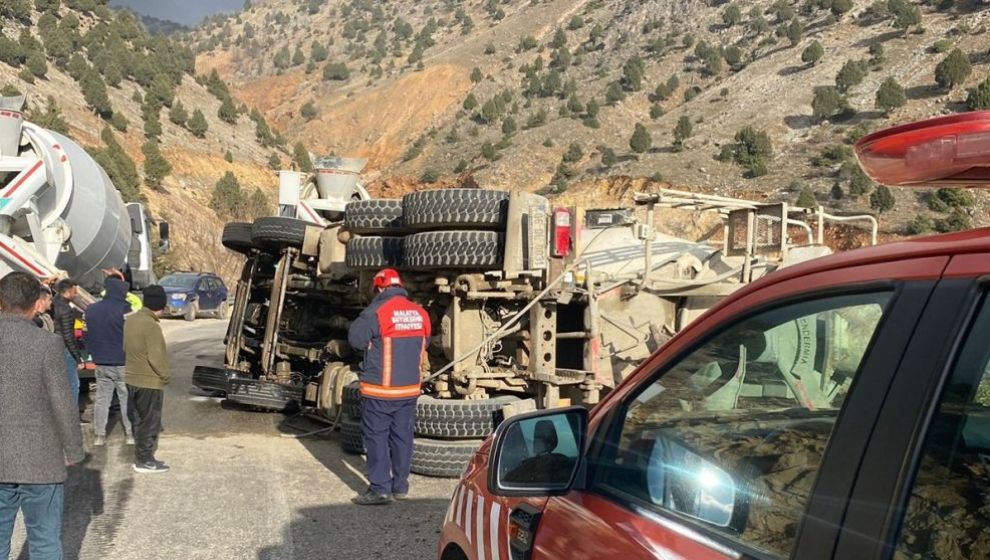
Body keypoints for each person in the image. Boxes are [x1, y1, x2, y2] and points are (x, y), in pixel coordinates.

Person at [0, 271, 85, 559]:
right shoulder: (48, 344)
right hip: (41, 459)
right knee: (45, 542)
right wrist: (73, 450)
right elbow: (63, 403)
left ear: (0, 301)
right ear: (37, 302)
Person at [347, 268, 431, 505]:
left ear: (381, 288)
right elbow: (427, 340)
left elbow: (356, 340)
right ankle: (400, 486)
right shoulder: (419, 313)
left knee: (376, 438)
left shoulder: (377, 312)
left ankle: (380, 489)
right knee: (403, 436)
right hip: (409, 390)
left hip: (381, 390)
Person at [124, 285, 171, 473]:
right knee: (150, 421)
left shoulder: (130, 320)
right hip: (149, 381)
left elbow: (124, 347)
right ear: (160, 305)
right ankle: (144, 460)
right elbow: (156, 356)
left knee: (138, 419)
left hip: (131, 378)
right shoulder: (151, 326)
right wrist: (165, 375)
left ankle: (140, 456)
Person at [84, 276, 134, 446]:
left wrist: (93, 351)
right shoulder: (125, 309)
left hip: (101, 362)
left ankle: (99, 436)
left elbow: (85, 334)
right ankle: (130, 433)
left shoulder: (90, 309)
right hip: (122, 361)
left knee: (102, 399)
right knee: (126, 398)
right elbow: (132, 334)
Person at [53, 279, 86, 407]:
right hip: (65, 349)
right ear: (68, 292)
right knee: (73, 385)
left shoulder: (54, 303)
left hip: (55, 347)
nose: (76, 295)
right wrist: (78, 358)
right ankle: (72, 417)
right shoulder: (65, 309)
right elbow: (68, 336)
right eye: (74, 292)